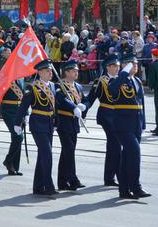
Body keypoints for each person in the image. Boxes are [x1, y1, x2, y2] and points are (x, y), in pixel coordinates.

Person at [14, 59, 62, 196]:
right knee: (47, 154)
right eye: (47, 71)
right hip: (38, 123)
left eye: (50, 70)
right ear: (40, 72)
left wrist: (56, 122)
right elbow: (23, 106)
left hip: (48, 124)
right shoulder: (32, 87)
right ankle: (48, 186)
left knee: (43, 155)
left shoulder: (52, 86)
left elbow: (54, 106)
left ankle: (38, 186)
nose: (50, 73)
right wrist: (17, 123)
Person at [108, 54, 150, 199]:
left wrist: (143, 124)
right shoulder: (117, 80)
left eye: (136, 64)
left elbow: (140, 103)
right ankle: (136, 187)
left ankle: (124, 190)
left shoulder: (137, 80)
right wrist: (123, 73)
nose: (136, 66)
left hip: (136, 124)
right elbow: (112, 91)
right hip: (122, 124)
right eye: (132, 64)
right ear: (126, 66)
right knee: (134, 152)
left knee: (127, 156)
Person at [86, 55, 120, 186]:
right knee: (115, 145)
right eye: (114, 66)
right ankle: (113, 177)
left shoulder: (120, 80)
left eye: (118, 66)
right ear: (108, 67)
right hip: (106, 115)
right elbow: (91, 98)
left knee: (114, 147)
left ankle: (110, 177)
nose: (117, 68)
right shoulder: (101, 81)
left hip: (119, 117)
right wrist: (82, 110)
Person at [56, 60, 88, 190]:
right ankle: (72, 179)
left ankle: (62, 182)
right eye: (74, 71)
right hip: (63, 121)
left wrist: (84, 106)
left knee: (67, 152)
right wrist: (74, 107)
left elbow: (85, 100)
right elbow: (61, 99)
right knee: (69, 151)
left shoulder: (78, 86)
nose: (76, 73)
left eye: (77, 71)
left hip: (74, 123)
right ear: (66, 72)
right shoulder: (60, 85)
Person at [0, 77, 26, 176]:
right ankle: (8, 160)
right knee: (18, 136)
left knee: (16, 139)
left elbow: (24, 97)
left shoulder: (21, 79)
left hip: (19, 111)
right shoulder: (5, 77)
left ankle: (14, 167)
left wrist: (26, 113)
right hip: (8, 111)